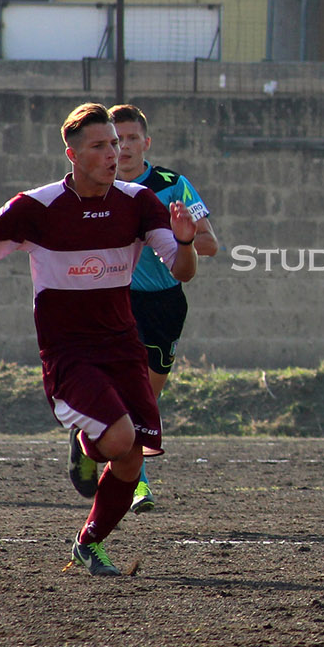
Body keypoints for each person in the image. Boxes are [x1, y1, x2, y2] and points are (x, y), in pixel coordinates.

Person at [0, 102, 197, 576]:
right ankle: (88, 442)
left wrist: (186, 242)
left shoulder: (138, 201)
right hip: (69, 354)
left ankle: (88, 543)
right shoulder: (39, 206)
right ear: (72, 154)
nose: (114, 153)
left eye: (115, 143)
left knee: (132, 460)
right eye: (100, 145)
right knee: (119, 440)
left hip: (123, 346)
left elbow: (182, 271)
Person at [109, 103, 219, 513]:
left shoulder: (173, 185)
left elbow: (211, 243)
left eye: (132, 139)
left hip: (164, 305)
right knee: (122, 391)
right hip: (115, 300)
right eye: (116, 140)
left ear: (146, 143)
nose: (123, 148)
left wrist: (180, 238)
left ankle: (107, 450)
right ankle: (136, 481)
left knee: (145, 401)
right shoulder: (93, 187)